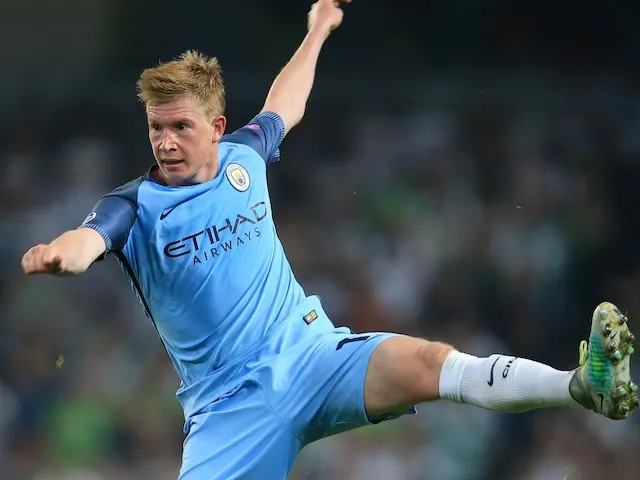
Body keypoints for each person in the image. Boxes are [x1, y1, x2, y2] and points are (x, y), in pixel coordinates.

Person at [21, 0, 638, 478]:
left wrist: (317, 29)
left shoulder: (245, 156)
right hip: (230, 410)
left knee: (432, 363)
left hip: (314, 357)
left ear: (215, 127)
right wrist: (60, 257)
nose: (164, 142)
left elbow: (286, 103)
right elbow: (88, 240)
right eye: (156, 128)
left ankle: (581, 387)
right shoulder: (134, 206)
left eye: (180, 127)